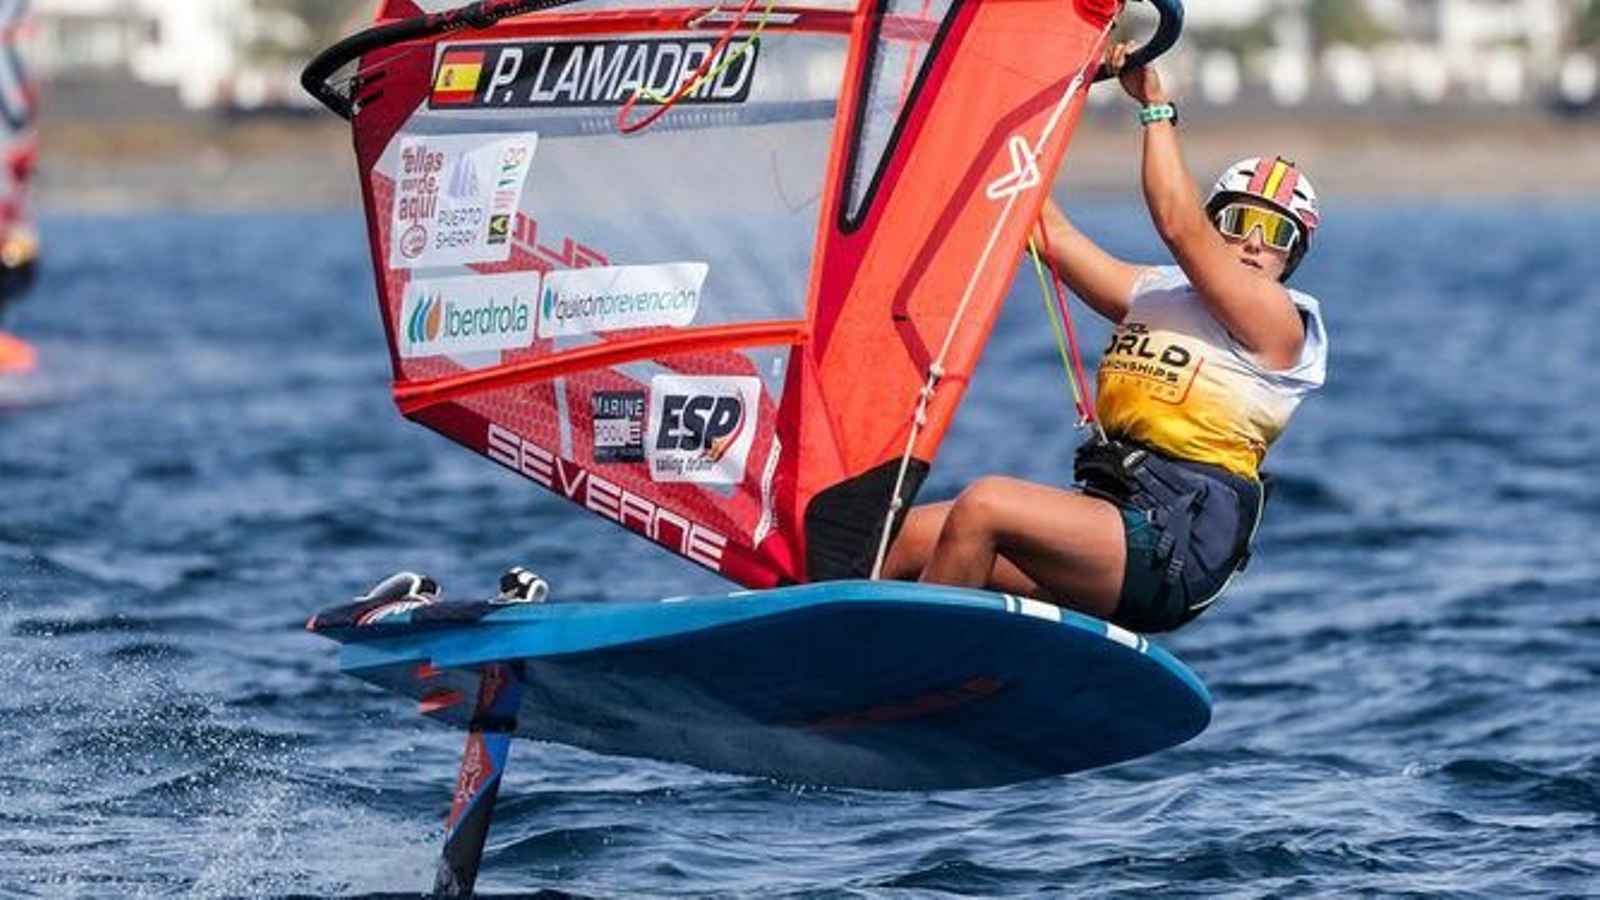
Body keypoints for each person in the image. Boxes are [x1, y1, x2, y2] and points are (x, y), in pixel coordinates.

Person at [882, 45, 1328, 633]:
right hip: (1110, 514)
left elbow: (1176, 222)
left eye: (1275, 234)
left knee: (985, 505)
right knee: (907, 537)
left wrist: (1155, 109)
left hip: (1179, 547)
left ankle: (913, 675)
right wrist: (967, 120)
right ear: (1218, 224)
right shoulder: (1157, 292)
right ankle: (823, 667)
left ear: (1291, 257)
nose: (1252, 243)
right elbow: (1046, 230)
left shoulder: (1280, 324)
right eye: (1238, 222)